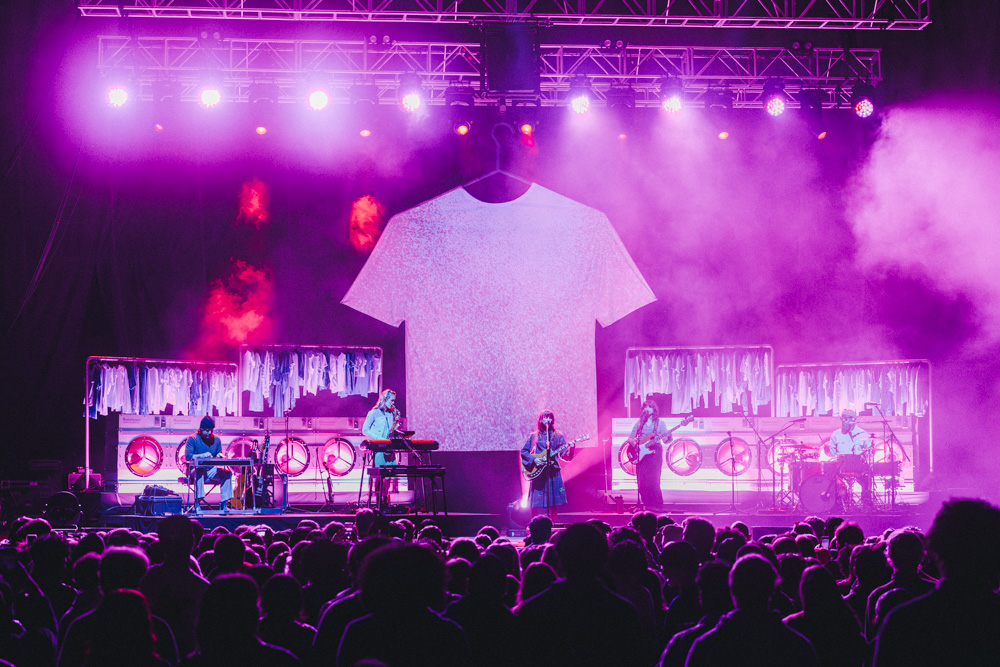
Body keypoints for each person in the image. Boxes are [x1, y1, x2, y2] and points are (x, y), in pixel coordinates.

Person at [520, 411, 570, 521]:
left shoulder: (558, 436)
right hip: (539, 472)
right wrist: (534, 459)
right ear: (540, 420)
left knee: (554, 502)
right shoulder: (535, 436)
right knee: (535, 502)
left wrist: (571, 449)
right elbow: (524, 451)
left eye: (549, 418)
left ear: (553, 420)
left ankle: (552, 525)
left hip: (553, 471)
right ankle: (534, 524)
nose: (547, 420)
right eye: (545, 418)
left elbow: (564, 454)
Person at [625, 399, 671, 510]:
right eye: (645, 407)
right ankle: (647, 504)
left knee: (654, 479)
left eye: (649, 407)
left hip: (655, 452)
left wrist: (669, 437)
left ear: (654, 409)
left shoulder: (660, 423)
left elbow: (666, 441)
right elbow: (630, 438)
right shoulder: (639, 423)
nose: (647, 409)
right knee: (642, 481)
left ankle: (657, 505)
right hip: (641, 452)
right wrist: (637, 445)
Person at [183, 416, 234, 512]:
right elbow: (188, 456)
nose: (209, 433)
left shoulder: (217, 440)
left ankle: (224, 503)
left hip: (210, 470)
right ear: (200, 429)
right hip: (194, 471)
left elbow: (218, 454)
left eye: (211, 430)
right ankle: (197, 503)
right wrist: (201, 456)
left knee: (227, 473)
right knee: (199, 470)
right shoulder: (192, 438)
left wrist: (219, 456)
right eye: (207, 430)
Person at [828, 409, 873, 508]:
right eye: (842, 419)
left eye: (846, 418)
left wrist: (864, 455)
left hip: (858, 466)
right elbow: (832, 453)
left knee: (866, 479)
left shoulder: (862, 434)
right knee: (831, 480)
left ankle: (866, 504)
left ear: (854, 419)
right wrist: (831, 453)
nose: (843, 421)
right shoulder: (836, 434)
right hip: (840, 467)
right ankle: (839, 504)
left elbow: (869, 452)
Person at [363, 389, 401, 503]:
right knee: (380, 475)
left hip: (389, 446)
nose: (393, 403)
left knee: (389, 475)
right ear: (385, 399)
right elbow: (365, 430)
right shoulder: (373, 413)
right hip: (379, 447)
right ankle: (378, 500)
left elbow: (391, 429)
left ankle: (385, 499)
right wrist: (378, 439)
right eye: (392, 400)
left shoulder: (392, 413)